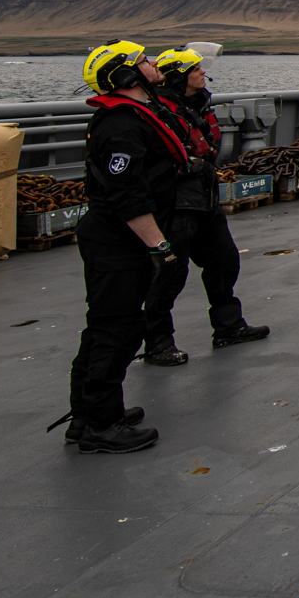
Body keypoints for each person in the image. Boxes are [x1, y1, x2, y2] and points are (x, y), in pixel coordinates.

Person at [54, 41, 189, 454]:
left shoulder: (134, 117)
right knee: (118, 329)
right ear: (127, 76)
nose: (151, 64)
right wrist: (160, 246)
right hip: (117, 239)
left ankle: (88, 413)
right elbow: (127, 194)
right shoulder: (123, 126)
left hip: (116, 237)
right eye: (143, 61)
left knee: (105, 325)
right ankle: (101, 424)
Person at [140, 48, 267, 366]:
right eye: (196, 69)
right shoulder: (158, 111)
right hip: (176, 205)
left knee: (224, 261)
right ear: (179, 76)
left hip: (204, 200)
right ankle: (158, 343)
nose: (203, 74)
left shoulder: (195, 105)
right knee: (169, 274)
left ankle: (228, 327)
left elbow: (206, 148)